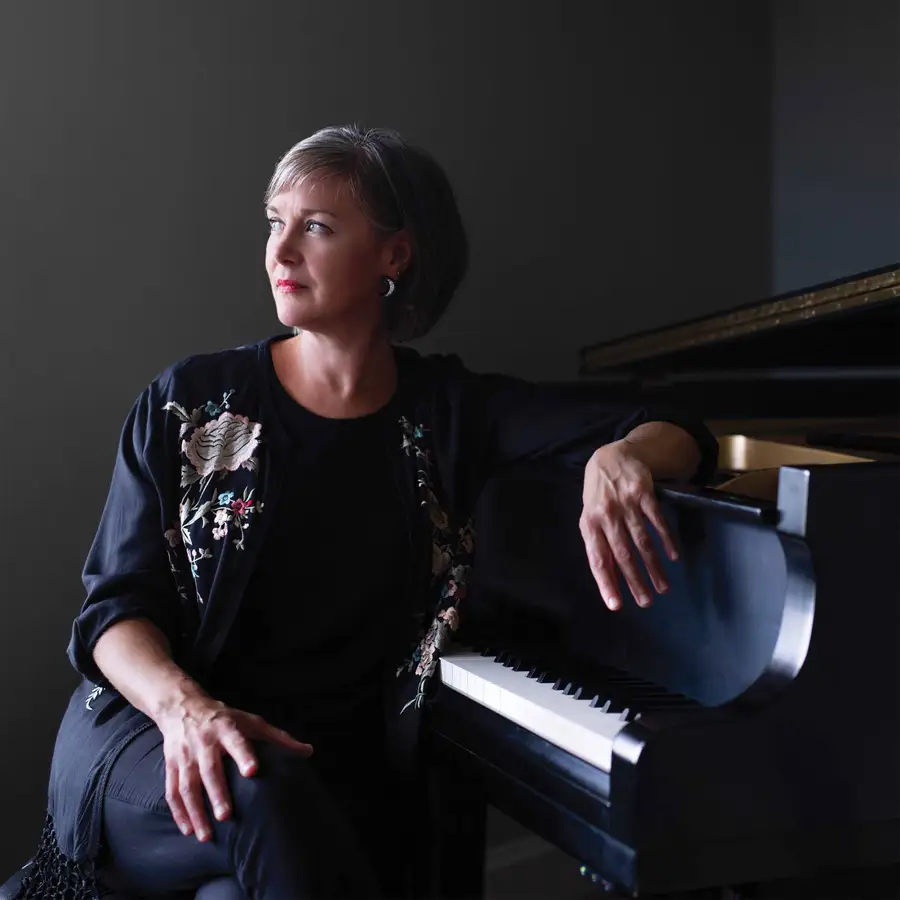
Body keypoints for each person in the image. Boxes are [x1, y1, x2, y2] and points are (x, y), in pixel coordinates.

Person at [11, 125, 718, 900]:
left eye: (315, 227)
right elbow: (112, 612)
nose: (281, 252)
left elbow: (674, 425)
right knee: (259, 786)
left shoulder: (447, 413)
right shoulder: (191, 402)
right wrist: (189, 711)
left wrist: (625, 456)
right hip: (154, 732)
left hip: (316, 776)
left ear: (395, 256)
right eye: (275, 223)